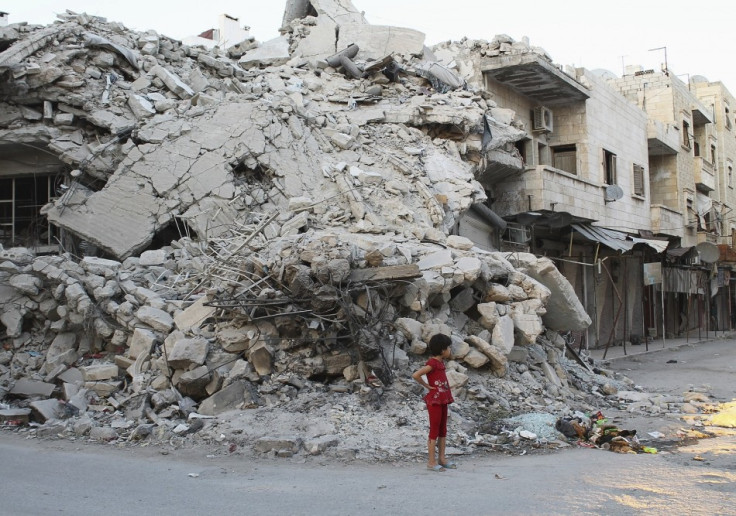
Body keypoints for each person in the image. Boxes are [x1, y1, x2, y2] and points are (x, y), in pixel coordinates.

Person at [411, 333, 457, 472]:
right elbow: (416, 375)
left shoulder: (440, 363)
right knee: (434, 430)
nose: (450, 350)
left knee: (443, 429)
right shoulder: (432, 363)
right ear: (443, 350)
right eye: (449, 347)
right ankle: (431, 462)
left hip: (443, 399)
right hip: (435, 400)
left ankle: (442, 458)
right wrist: (426, 385)